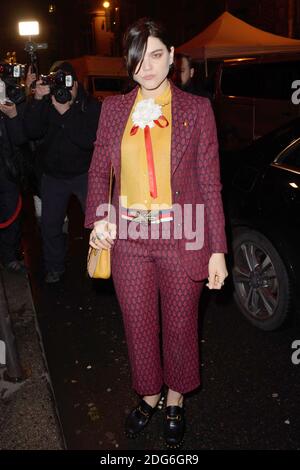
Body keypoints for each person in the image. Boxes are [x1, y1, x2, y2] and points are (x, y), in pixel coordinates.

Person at [85, 18, 228, 448]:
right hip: (128, 237)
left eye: (156, 54)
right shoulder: (112, 109)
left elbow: (209, 183)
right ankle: (148, 396)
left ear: (172, 57)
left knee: (182, 325)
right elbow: (98, 169)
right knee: (138, 324)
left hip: (182, 235)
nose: (146, 66)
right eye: (137, 58)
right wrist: (98, 220)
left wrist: (218, 249)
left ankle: (175, 400)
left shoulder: (196, 110)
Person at [24, 62, 101, 283]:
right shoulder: (47, 104)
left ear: (76, 84)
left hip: (85, 174)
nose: (64, 89)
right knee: (50, 225)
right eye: (59, 82)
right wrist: (38, 100)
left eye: (68, 83)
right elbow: (31, 131)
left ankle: (99, 265)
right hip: (53, 176)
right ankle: (54, 267)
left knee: (97, 223)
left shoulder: (90, 106)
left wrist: (66, 112)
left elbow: (87, 141)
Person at [0, 100, 27, 273]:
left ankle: (9, 257)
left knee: (11, 213)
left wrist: (12, 115)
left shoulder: (8, 101)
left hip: (7, 169)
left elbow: (20, 139)